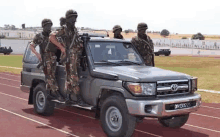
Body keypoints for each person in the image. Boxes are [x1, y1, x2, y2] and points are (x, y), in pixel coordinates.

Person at [50, 9, 87, 106]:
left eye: (75, 17)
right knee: (74, 77)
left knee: (69, 78)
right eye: (72, 18)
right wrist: (62, 48)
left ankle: (67, 97)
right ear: (67, 18)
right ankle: (78, 98)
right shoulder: (64, 29)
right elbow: (51, 37)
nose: (74, 20)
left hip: (75, 56)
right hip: (69, 57)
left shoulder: (74, 29)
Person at [29, 19, 65, 101]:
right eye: (47, 26)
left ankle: (49, 93)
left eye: (50, 26)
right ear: (43, 26)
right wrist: (37, 54)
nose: (49, 27)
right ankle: (55, 93)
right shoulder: (39, 36)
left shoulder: (53, 36)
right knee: (50, 76)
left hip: (54, 58)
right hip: (46, 59)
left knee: (52, 76)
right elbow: (32, 46)